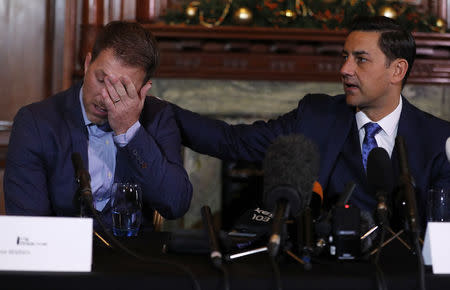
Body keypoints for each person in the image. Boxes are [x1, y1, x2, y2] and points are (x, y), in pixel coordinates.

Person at [171, 16, 450, 226]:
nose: (344, 69)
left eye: (361, 60)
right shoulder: (316, 116)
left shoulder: (439, 140)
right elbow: (231, 141)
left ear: (397, 70)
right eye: (345, 57)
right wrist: (154, 110)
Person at [4, 21, 193, 229]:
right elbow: (28, 229)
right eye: (101, 80)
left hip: (136, 257)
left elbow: (176, 204)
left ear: (142, 91)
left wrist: (130, 131)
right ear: (87, 65)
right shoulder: (36, 123)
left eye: (122, 89)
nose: (105, 97)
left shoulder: (158, 117)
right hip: (63, 257)